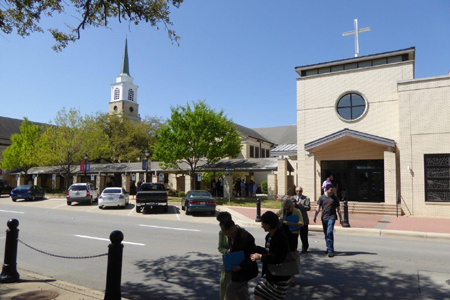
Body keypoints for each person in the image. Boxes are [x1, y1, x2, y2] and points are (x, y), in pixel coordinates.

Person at [251, 211, 291, 300]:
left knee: (260, 292)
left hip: (280, 276)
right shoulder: (269, 236)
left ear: (268, 225)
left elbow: (279, 257)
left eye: (263, 223)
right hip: (271, 273)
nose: (261, 225)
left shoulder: (281, 237)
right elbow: (268, 252)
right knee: (259, 292)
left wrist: (260, 257)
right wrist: (255, 249)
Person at [220, 219, 258, 300]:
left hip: (246, 269)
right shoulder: (231, 235)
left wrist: (241, 266)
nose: (224, 233)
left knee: (230, 290)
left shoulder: (246, 237)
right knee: (241, 293)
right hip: (237, 269)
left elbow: (252, 255)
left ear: (231, 228)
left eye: (224, 231)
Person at [276, 199, 303, 286]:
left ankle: (292, 276)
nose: (286, 211)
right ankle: (283, 274)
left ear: (292, 206)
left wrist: (289, 223)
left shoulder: (297, 212)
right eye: (285, 209)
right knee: (283, 254)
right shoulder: (283, 211)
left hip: (293, 236)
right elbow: (274, 216)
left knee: (292, 255)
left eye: (288, 209)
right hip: (283, 235)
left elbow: (301, 224)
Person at [313, 184, 343, 257]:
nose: (332, 192)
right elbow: (318, 208)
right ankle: (328, 247)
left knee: (329, 232)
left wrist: (341, 219)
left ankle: (330, 251)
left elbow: (338, 209)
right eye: (331, 190)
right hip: (324, 217)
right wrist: (315, 216)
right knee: (326, 233)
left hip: (332, 217)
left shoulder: (334, 198)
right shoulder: (322, 198)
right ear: (327, 189)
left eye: (333, 190)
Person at [217, 212, 233, 300]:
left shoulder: (240, 231)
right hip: (227, 261)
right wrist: (226, 251)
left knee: (238, 288)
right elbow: (220, 247)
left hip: (238, 262)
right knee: (224, 284)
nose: (220, 225)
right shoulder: (221, 233)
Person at [292, 186, 311, 253]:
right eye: (297, 191)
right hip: (294, 219)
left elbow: (308, 208)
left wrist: (301, 205)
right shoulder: (292, 198)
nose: (298, 192)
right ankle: (294, 248)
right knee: (294, 236)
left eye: (300, 191)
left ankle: (305, 247)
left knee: (304, 235)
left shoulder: (306, 198)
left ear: (302, 191)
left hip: (303, 220)